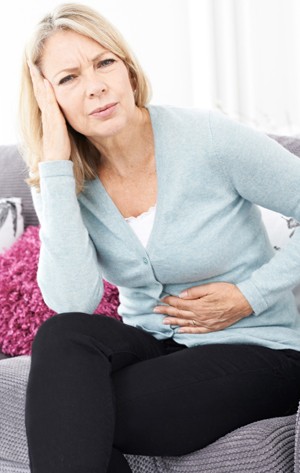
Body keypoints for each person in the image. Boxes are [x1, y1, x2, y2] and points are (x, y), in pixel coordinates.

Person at [20, 3, 300, 473]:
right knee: (61, 336)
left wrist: (250, 296)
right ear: (47, 100)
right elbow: (73, 301)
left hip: (260, 350)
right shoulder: (61, 180)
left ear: (128, 69)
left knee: (74, 414)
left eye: (104, 62)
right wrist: (55, 167)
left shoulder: (207, 139)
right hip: (153, 348)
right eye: (67, 79)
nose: (95, 87)